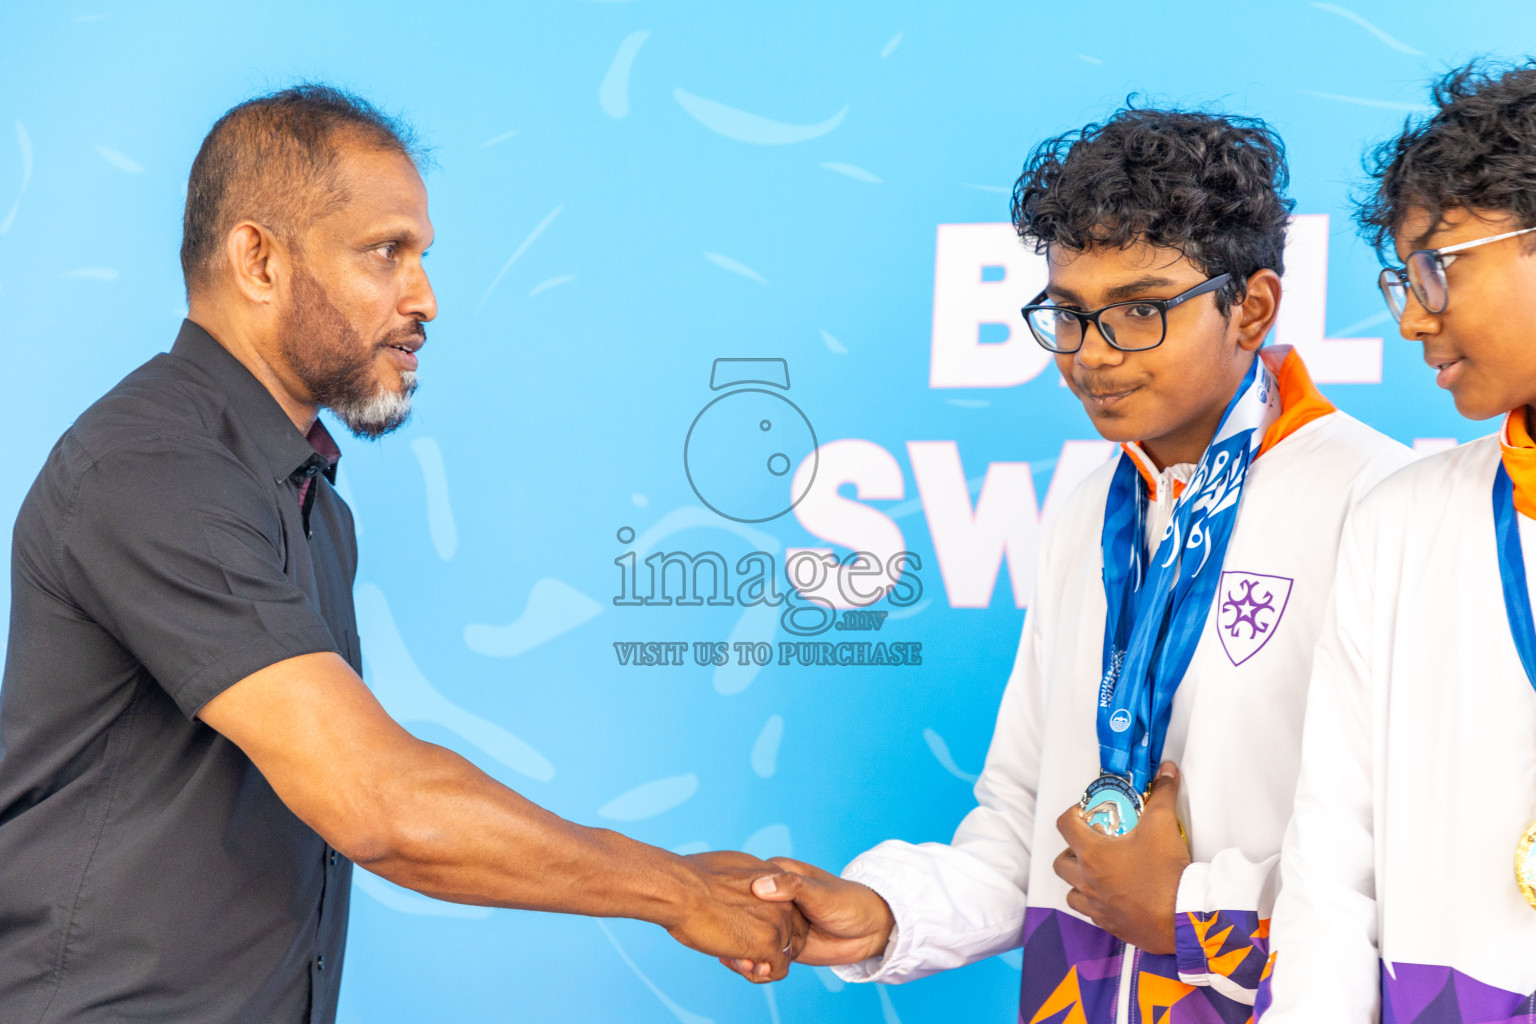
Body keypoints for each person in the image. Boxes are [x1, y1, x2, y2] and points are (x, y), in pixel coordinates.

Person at [0, 85, 800, 1024]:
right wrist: (678, 892)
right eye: (387, 252)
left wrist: (684, 882)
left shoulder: (309, 505)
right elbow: (379, 801)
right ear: (257, 259)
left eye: (420, 257)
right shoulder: (154, 467)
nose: (426, 298)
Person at [724, 107, 1413, 1022]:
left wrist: (1190, 911)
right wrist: (889, 914)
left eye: (1139, 310)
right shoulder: (1089, 507)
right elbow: (1024, 818)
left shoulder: (1384, 504)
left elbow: (1417, 856)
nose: (1092, 355)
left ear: (1251, 307)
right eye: (1071, 315)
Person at [1259, 60, 1536, 1022]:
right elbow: (1332, 866)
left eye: (1437, 265)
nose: (1413, 316)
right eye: (1401, 277)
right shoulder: (1405, 520)